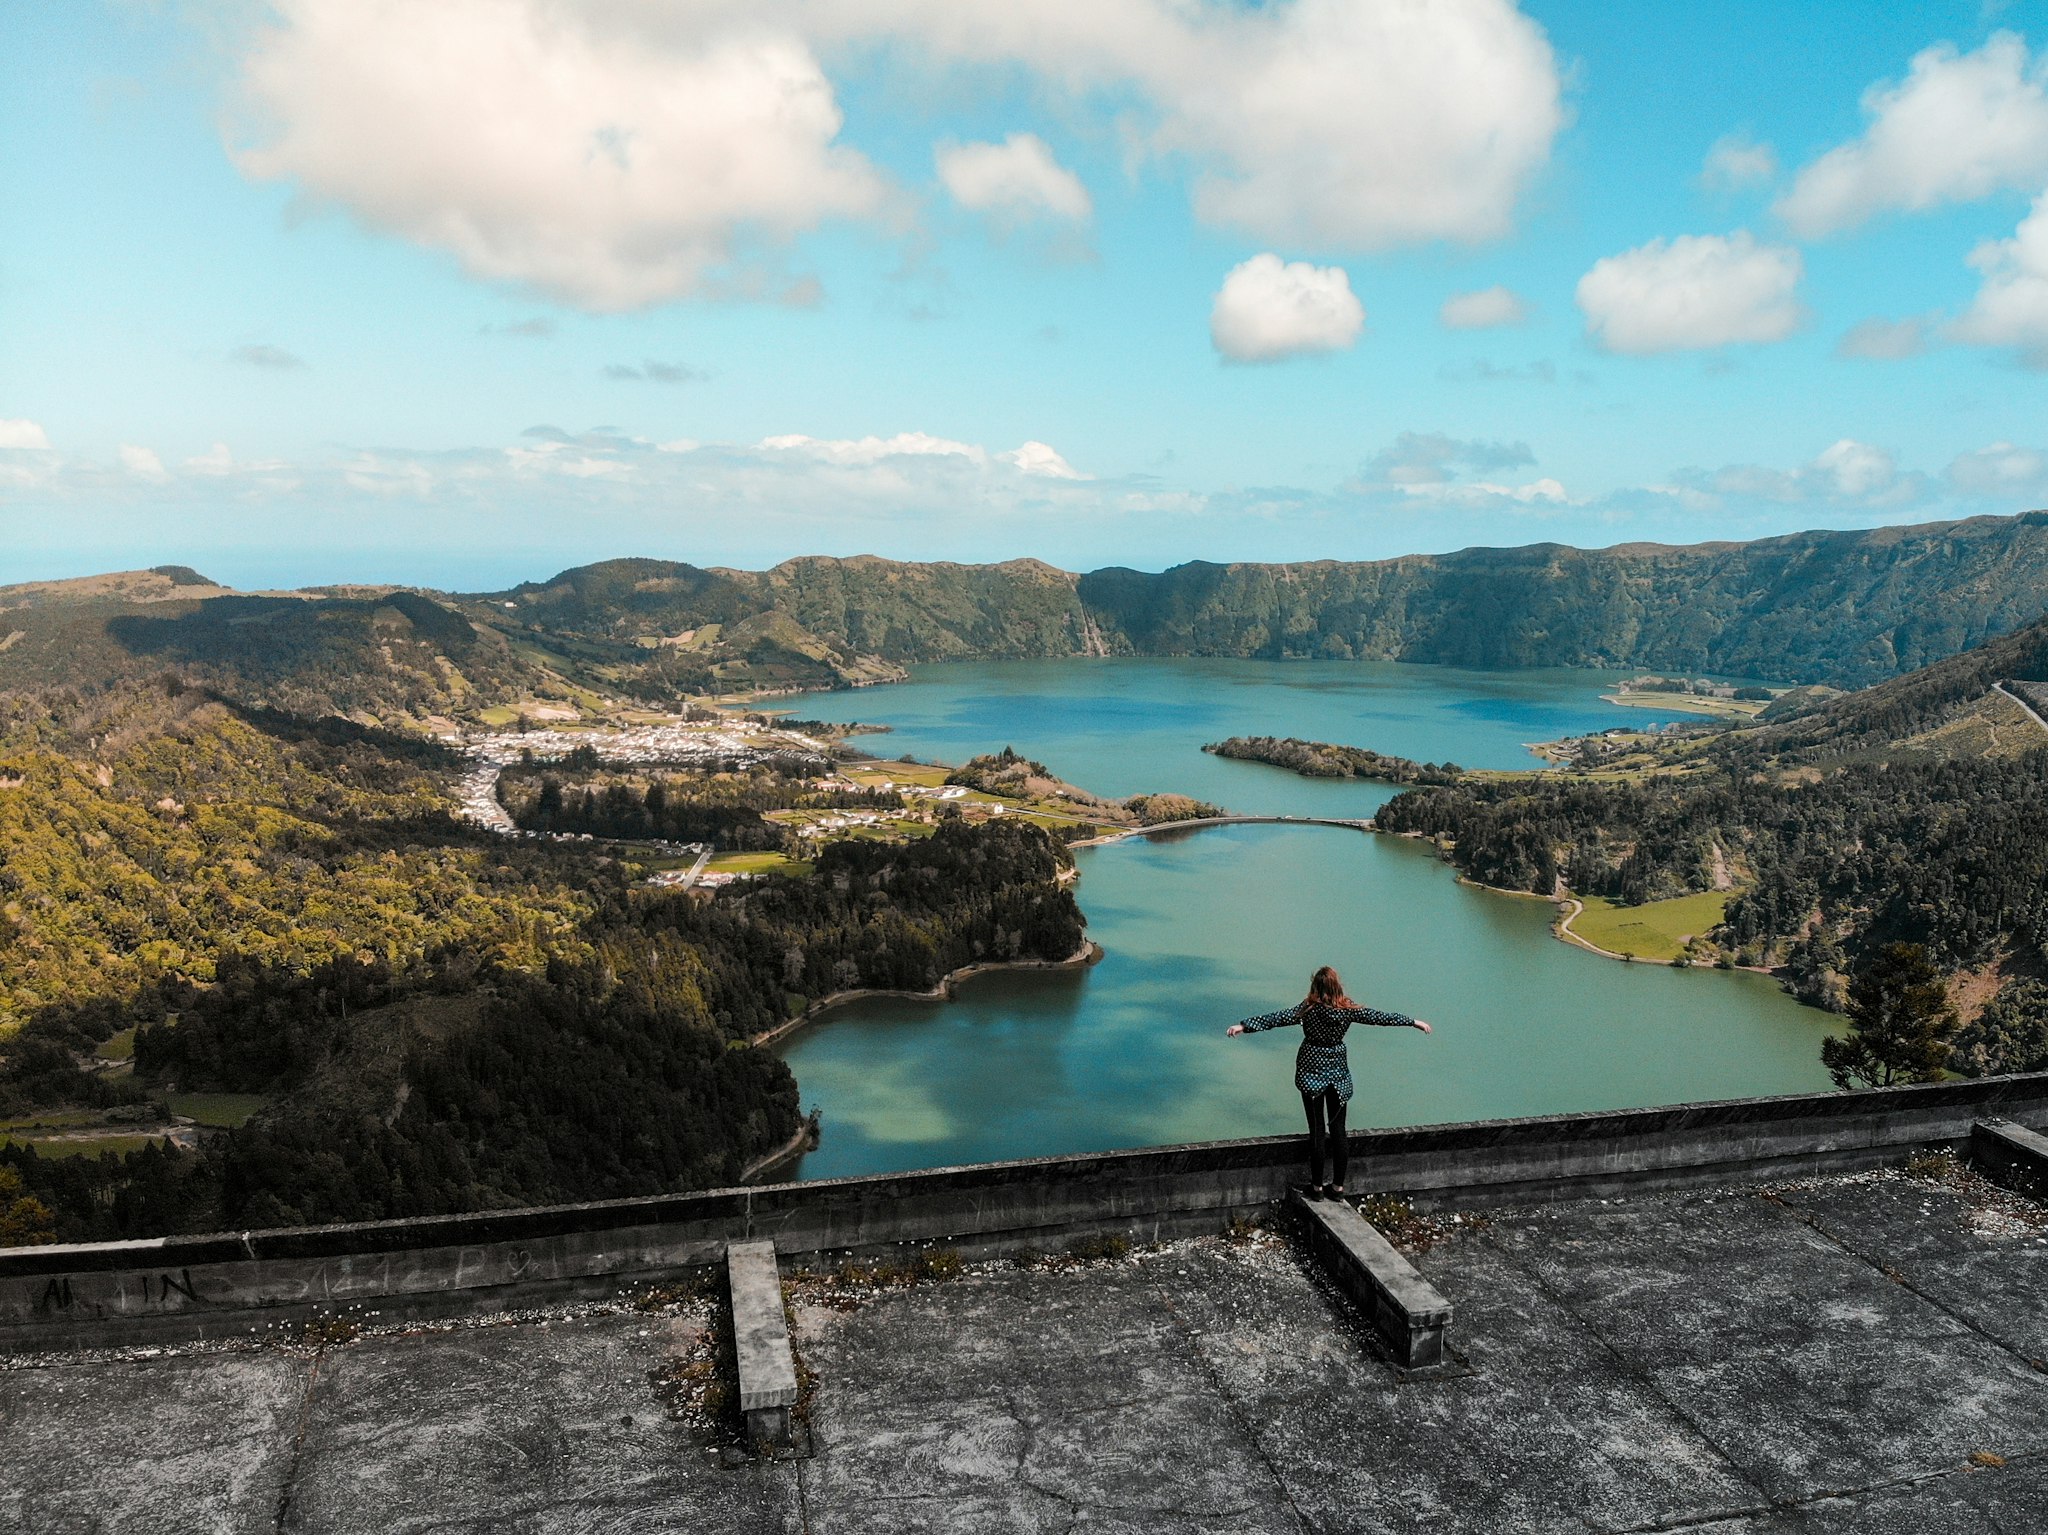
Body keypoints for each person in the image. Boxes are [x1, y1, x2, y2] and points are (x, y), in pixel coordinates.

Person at [1226, 965, 1432, 1199]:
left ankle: (1316, 1188)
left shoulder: (1308, 1009)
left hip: (1311, 1074)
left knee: (1316, 1131)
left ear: (1315, 986)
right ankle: (1337, 1188)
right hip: (1338, 1077)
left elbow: (1277, 1018)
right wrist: (1412, 1021)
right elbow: (1380, 1017)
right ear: (1337, 986)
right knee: (1338, 1131)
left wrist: (1244, 1026)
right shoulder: (1348, 1009)